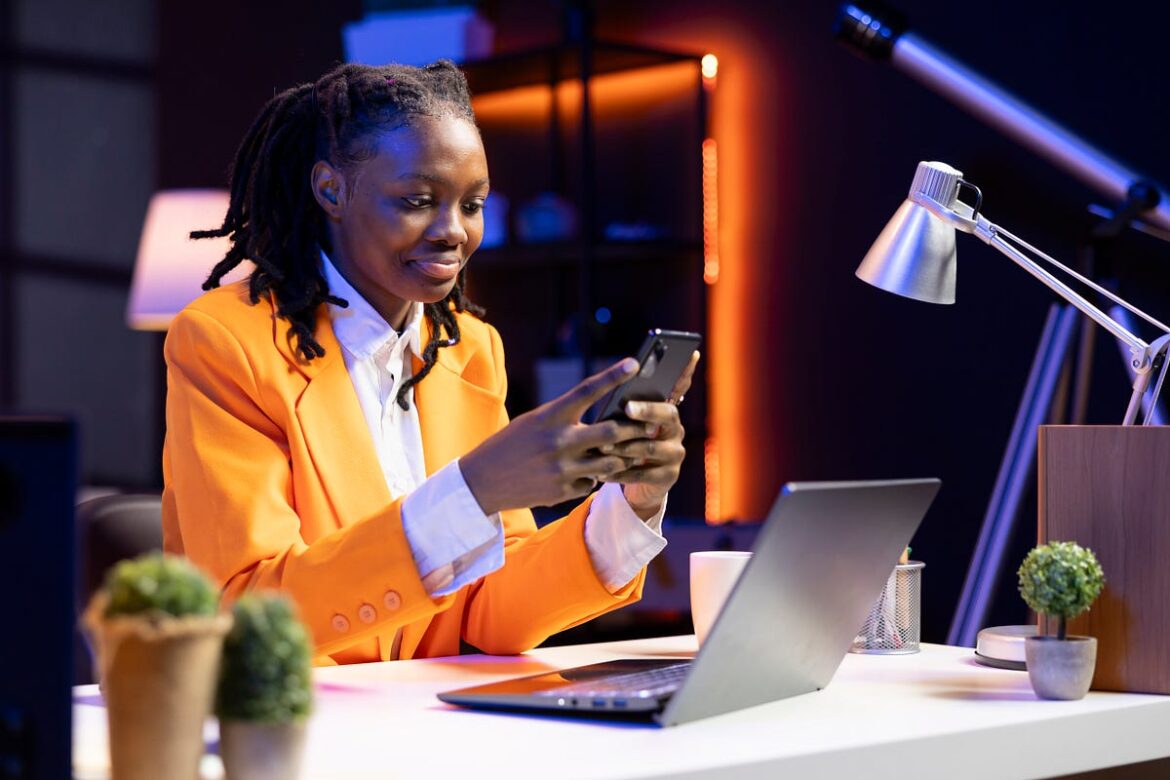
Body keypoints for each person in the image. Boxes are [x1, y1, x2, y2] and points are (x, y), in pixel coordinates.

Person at [161, 60, 698, 666]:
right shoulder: (224, 341)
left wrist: (631, 503)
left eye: (473, 205)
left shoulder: (470, 349)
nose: (453, 232)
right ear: (331, 189)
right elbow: (250, 615)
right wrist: (472, 491)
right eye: (417, 200)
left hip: (423, 727)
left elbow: (493, 612)